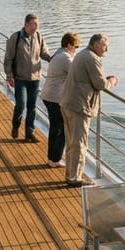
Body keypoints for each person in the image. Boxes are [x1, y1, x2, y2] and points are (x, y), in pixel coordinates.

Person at [60, 34, 119, 188]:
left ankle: (70, 174)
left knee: (72, 142)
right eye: (104, 45)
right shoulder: (92, 58)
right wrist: (112, 81)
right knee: (79, 143)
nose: (107, 49)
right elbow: (100, 84)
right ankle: (75, 178)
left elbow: (90, 78)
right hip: (79, 106)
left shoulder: (82, 55)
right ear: (94, 44)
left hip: (68, 102)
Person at [3, 13, 52, 143]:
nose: (36, 27)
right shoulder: (16, 37)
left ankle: (30, 133)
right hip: (20, 78)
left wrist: (55, 59)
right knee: (20, 104)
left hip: (35, 79)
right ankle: (15, 126)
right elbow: (8, 59)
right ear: (26, 24)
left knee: (32, 107)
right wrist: (9, 75)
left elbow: (44, 53)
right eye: (34, 24)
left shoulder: (39, 37)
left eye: (37, 24)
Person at [39, 32, 80, 168]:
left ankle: (52, 157)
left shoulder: (58, 54)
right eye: (76, 46)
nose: (76, 49)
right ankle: (55, 159)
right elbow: (78, 74)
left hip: (49, 95)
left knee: (55, 128)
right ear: (69, 45)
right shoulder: (65, 58)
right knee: (61, 129)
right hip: (55, 98)